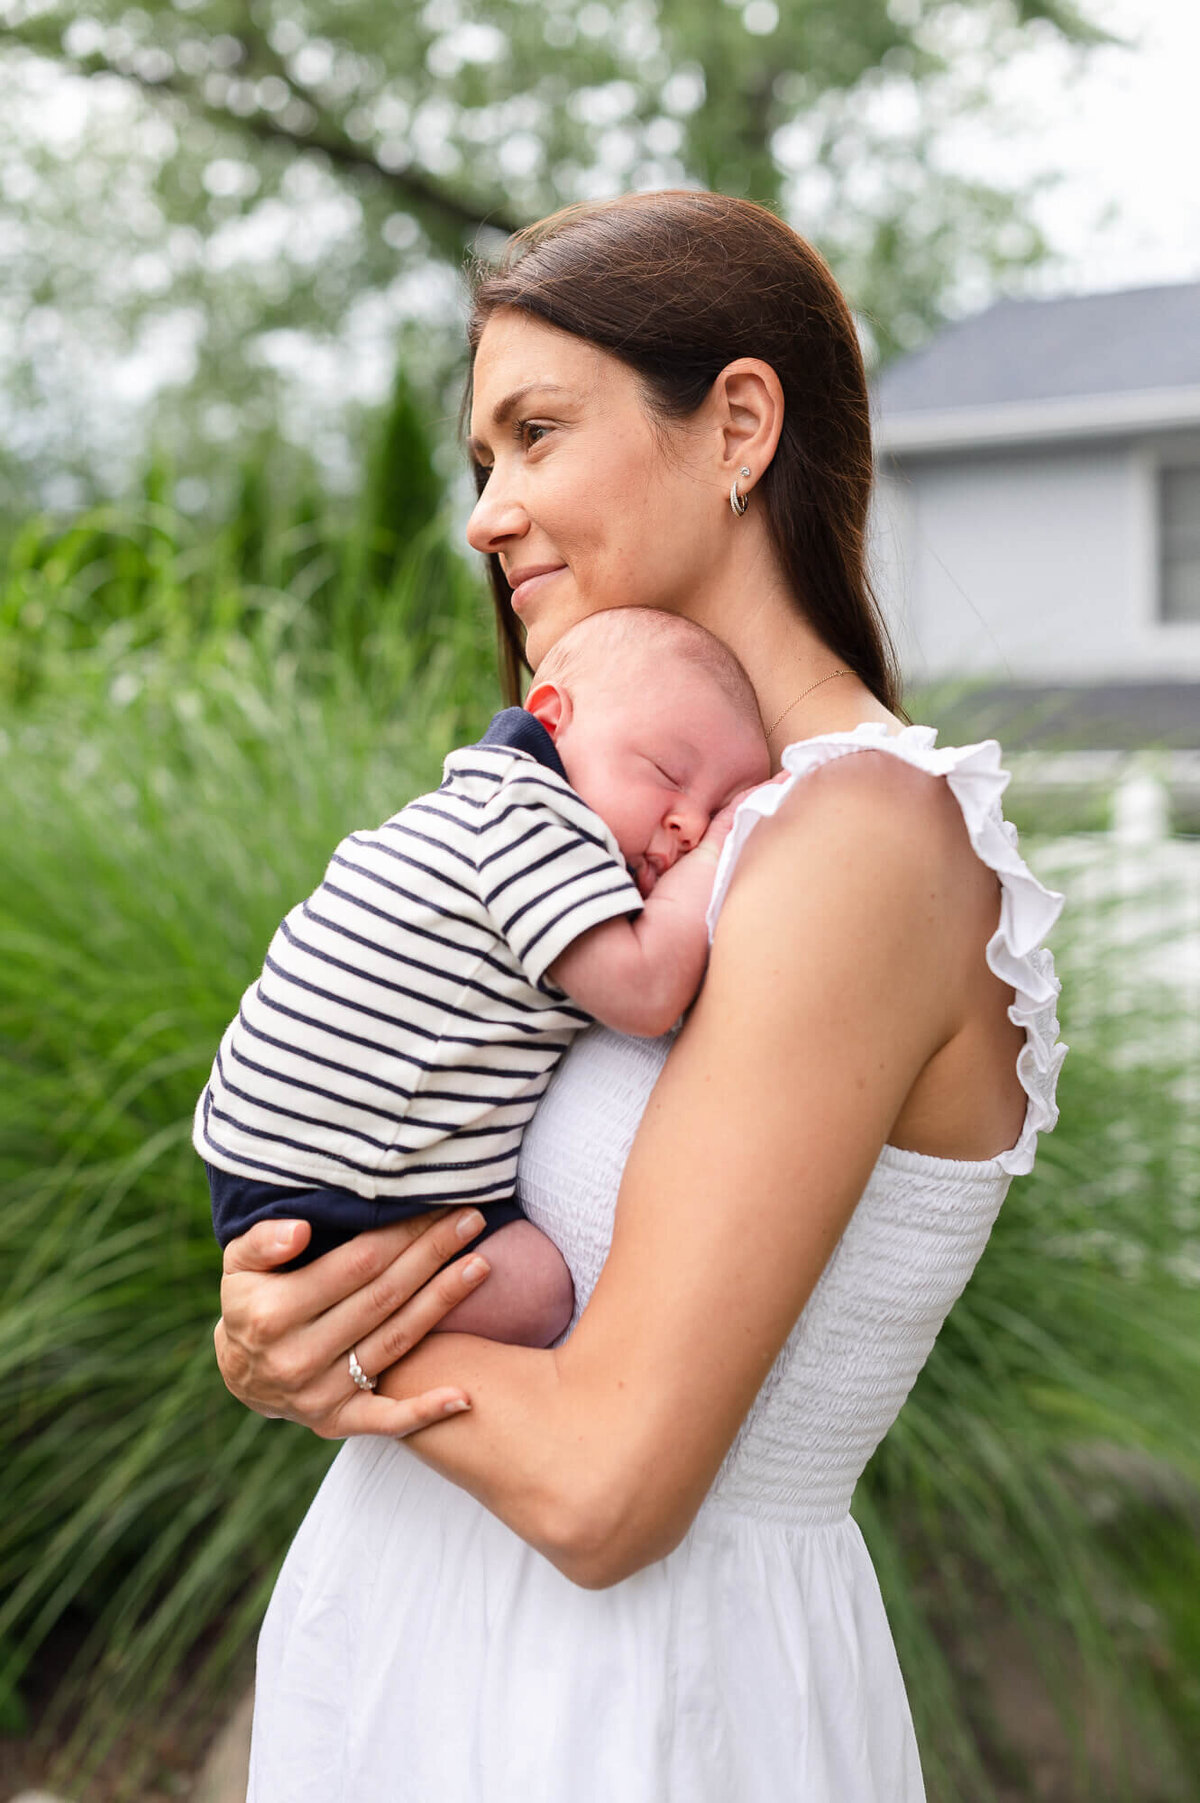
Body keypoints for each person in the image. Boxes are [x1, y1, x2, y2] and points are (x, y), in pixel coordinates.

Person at [213, 191, 1066, 1801]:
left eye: (536, 433)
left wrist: (315, 1355)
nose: (487, 512)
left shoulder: (861, 839)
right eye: (481, 461)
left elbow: (612, 1484)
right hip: (417, 1635)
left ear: (740, 423)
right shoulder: (635, 824)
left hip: (623, 1709)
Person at [197, 607, 770, 1348]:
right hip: (335, 1187)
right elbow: (647, 991)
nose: (689, 822)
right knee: (538, 1292)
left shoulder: (483, 802)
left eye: (718, 804)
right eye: (668, 773)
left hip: (279, 1163)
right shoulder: (533, 814)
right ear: (553, 720)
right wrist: (721, 849)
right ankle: (343, 1340)